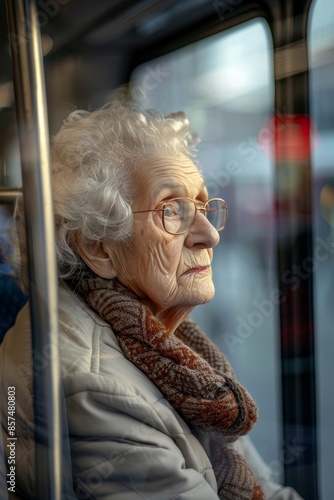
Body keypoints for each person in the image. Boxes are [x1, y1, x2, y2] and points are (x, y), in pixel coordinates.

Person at [0, 96, 303, 499]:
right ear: (99, 248)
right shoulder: (92, 388)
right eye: (172, 210)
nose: (210, 235)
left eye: (202, 205)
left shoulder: (162, 340)